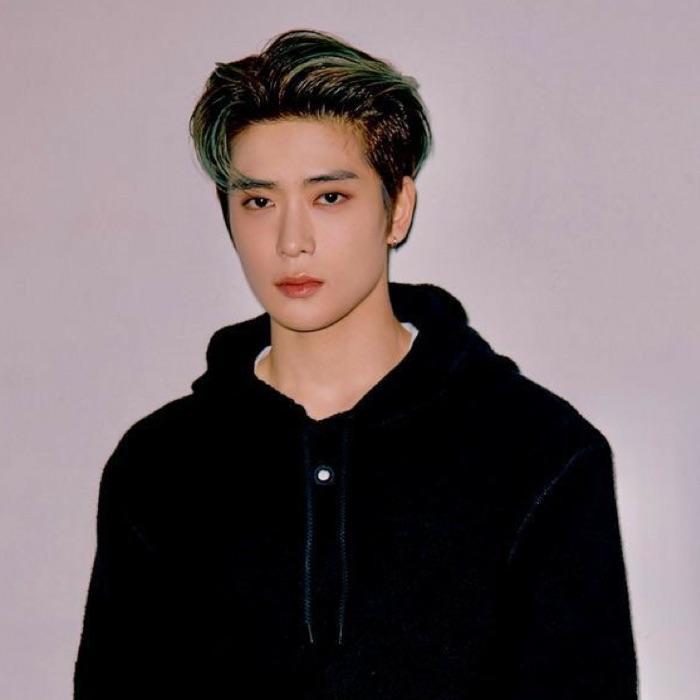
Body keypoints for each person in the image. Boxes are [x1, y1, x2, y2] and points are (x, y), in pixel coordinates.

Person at [74, 28, 638, 699]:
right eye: (259, 201)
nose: (292, 241)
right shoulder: (158, 467)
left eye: (329, 197)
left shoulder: (543, 454)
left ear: (397, 208)